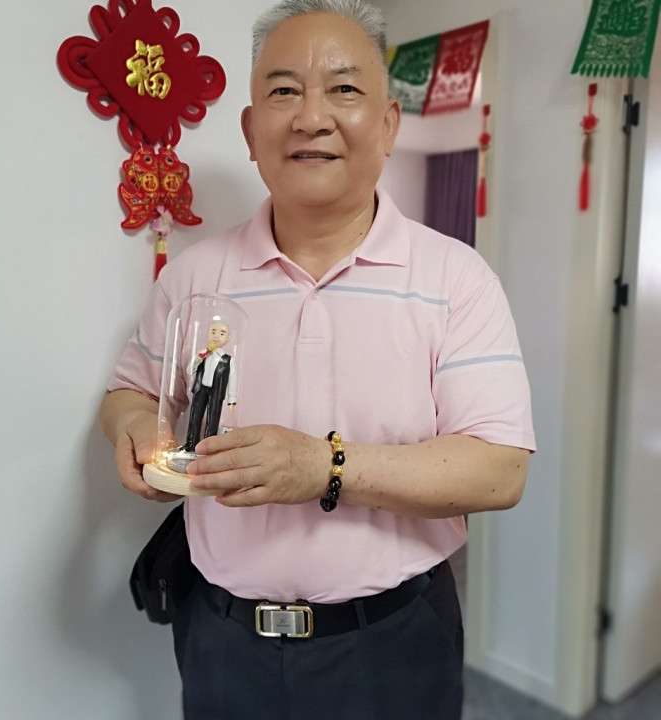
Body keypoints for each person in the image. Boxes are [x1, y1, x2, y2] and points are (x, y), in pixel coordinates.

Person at [99, 1, 536, 718]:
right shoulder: (194, 275)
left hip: (392, 641)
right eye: (283, 91)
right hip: (221, 636)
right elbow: (128, 392)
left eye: (343, 88)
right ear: (251, 131)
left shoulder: (455, 278)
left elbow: (500, 469)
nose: (310, 117)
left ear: (388, 124)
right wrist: (137, 430)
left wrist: (324, 466)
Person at [184, 319, 237, 452]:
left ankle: (208, 448)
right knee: (195, 418)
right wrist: (199, 357)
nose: (216, 336)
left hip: (216, 393)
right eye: (213, 332)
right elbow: (189, 370)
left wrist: (232, 400)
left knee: (212, 421)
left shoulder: (228, 360)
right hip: (200, 390)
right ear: (208, 333)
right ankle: (190, 445)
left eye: (222, 333)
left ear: (228, 338)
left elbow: (232, 380)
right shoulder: (202, 355)